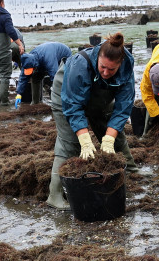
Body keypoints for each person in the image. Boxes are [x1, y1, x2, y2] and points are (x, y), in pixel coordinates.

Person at [46, 32, 137, 210]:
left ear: (120, 64)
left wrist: (109, 137)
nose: (105, 72)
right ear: (98, 59)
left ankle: (132, 168)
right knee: (70, 142)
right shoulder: (80, 64)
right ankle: (54, 195)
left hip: (99, 95)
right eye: (102, 67)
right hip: (66, 93)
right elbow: (73, 106)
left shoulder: (127, 66)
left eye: (111, 70)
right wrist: (85, 139)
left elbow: (123, 106)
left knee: (112, 132)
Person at [15, 42, 72, 107]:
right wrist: (19, 94)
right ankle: (35, 103)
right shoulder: (27, 60)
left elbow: (55, 77)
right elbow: (23, 78)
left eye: (31, 69)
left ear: (34, 65)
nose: (30, 71)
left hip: (64, 55)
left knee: (61, 79)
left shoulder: (48, 60)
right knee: (35, 77)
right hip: (43, 58)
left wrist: (53, 91)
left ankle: (60, 103)